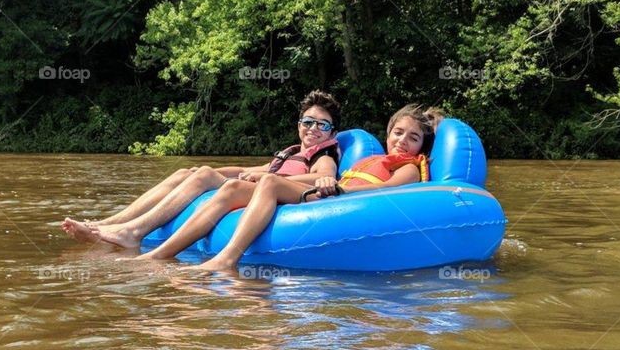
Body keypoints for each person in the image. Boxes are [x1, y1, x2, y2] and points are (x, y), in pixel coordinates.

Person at [139, 104, 434, 269]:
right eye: (398, 132)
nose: (402, 141)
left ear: (422, 146)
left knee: (269, 181)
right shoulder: (371, 160)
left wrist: (341, 190)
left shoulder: (407, 166)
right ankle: (160, 254)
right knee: (235, 189)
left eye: (413, 137)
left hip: (341, 199)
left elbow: (388, 191)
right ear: (387, 133)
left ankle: (227, 258)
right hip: (329, 192)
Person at [61, 90, 342, 248]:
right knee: (191, 172)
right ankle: (107, 223)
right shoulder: (291, 152)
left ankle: (133, 232)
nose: (313, 129)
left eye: (322, 124)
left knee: (207, 174)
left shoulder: (324, 154)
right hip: (259, 183)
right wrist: (205, 170)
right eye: (308, 122)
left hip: (271, 195)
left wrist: (265, 176)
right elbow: (247, 168)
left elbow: (321, 177)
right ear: (298, 125)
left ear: (332, 132)